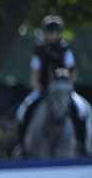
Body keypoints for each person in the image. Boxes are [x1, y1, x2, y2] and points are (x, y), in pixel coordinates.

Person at [17, 15, 88, 154]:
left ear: (58, 33)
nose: (51, 35)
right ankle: (21, 147)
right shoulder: (40, 50)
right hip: (43, 89)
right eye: (48, 32)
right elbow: (35, 72)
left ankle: (83, 143)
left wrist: (67, 85)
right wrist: (37, 85)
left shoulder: (65, 49)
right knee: (22, 112)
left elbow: (71, 70)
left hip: (63, 88)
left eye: (53, 32)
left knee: (81, 109)